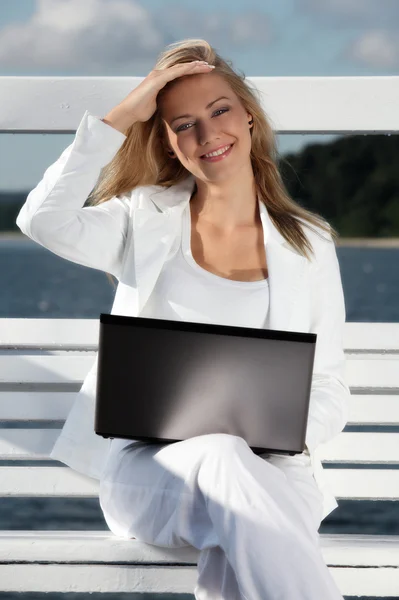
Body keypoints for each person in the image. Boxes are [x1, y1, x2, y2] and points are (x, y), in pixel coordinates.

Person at [16, 38, 350, 599]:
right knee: (223, 461)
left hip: (271, 472)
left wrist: (274, 434)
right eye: (183, 123)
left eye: (220, 110)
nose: (208, 134)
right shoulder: (141, 220)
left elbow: (330, 388)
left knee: (237, 527)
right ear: (169, 143)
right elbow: (43, 219)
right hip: (154, 475)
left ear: (248, 116)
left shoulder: (309, 244)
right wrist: (127, 112)